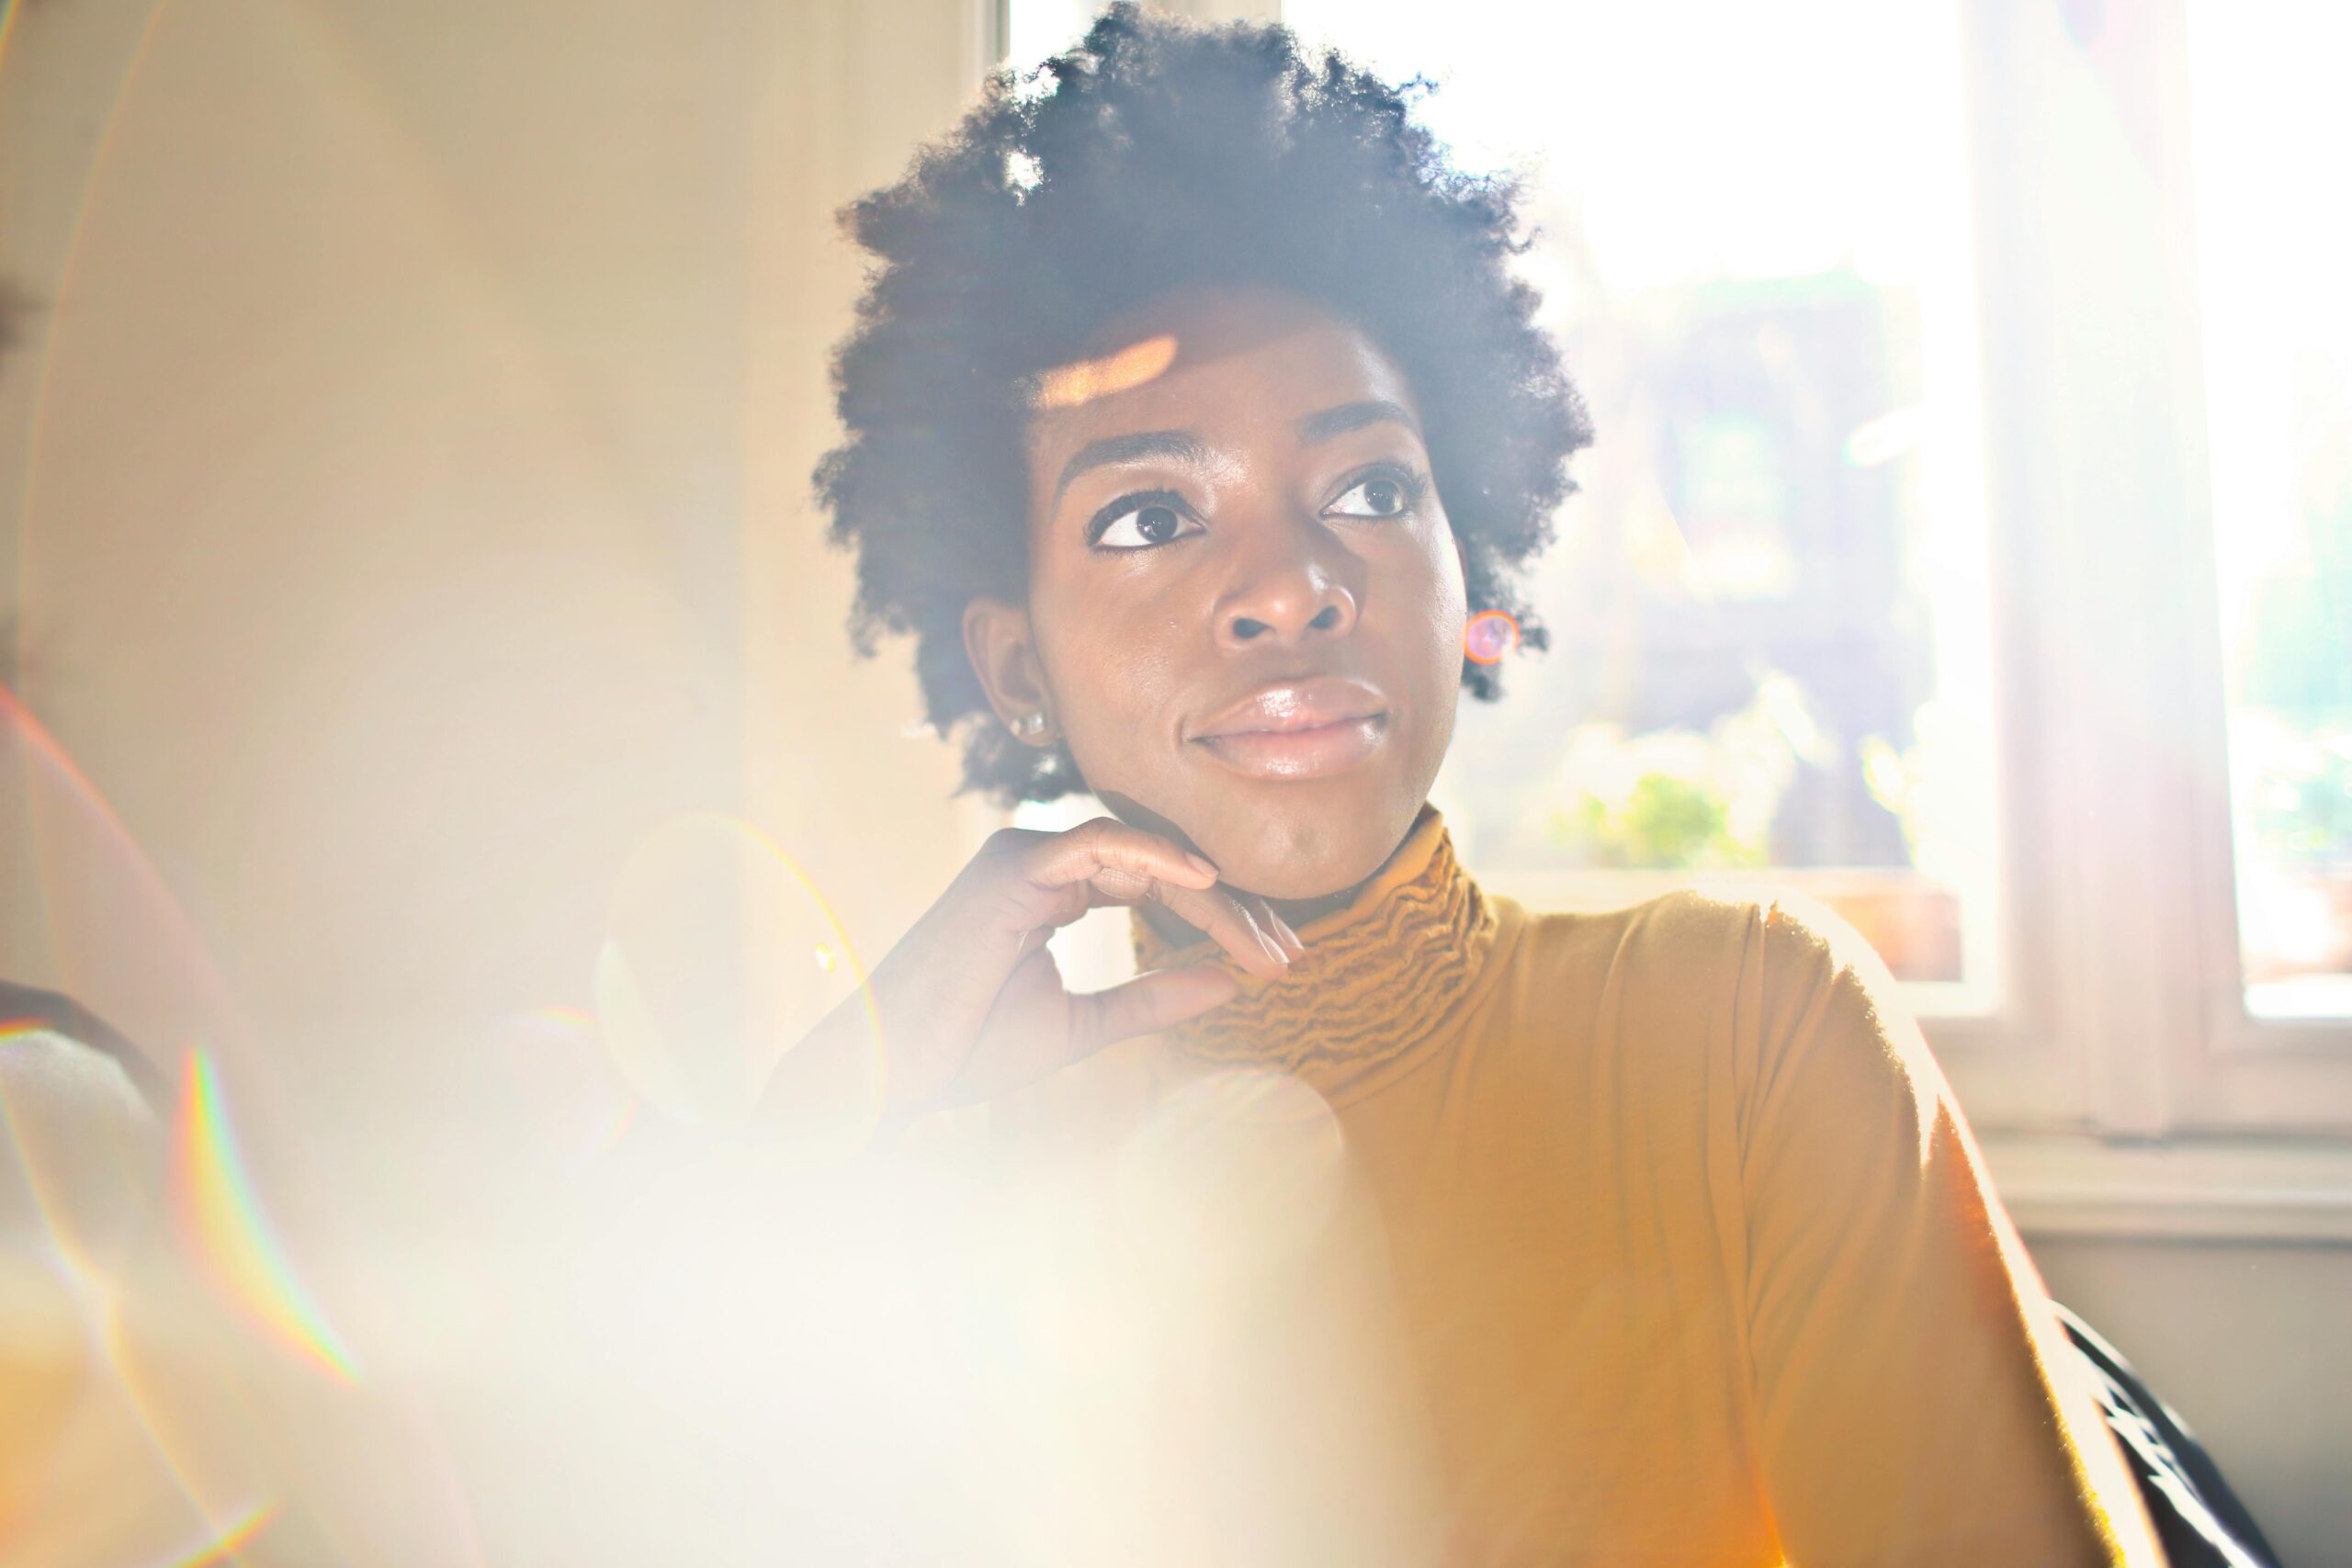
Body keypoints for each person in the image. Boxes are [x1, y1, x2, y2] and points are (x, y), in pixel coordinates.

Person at [769, 6, 2165, 1562]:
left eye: (1369, 488)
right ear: (1015, 663)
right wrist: (847, 1102)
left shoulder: (1743, 1030)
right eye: (1151, 516)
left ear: (1464, 574)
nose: (1288, 584)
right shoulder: (939, 1157)